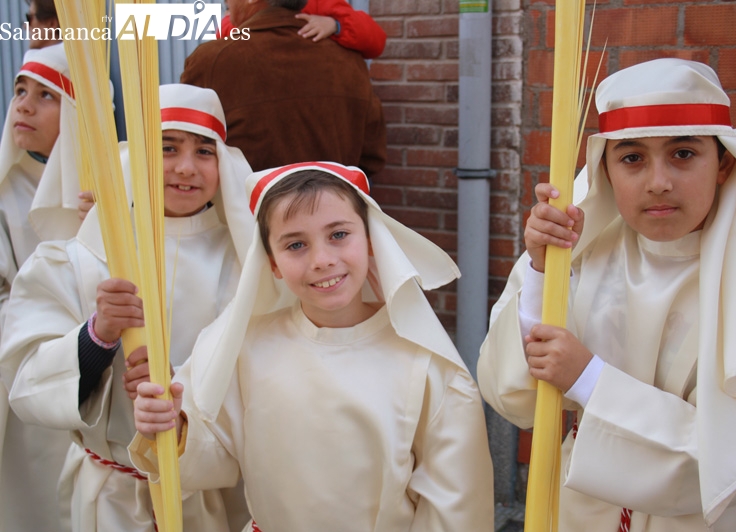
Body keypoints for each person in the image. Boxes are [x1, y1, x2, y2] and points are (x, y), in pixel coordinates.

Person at [477, 58, 736, 531]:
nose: (658, 182)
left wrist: (592, 381)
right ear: (605, 170)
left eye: (683, 153)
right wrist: (542, 270)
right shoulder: (582, 253)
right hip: (582, 507)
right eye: (632, 157)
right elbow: (514, 397)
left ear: (725, 163)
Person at [130, 162, 494, 531]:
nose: (322, 261)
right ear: (271, 263)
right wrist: (172, 428)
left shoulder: (427, 364)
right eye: (296, 244)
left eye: (338, 235)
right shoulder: (245, 348)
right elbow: (214, 456)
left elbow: (453, 509)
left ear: (370, 239)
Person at [0, 83, 255, 532]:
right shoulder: (82, 258)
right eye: (167, 147)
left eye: (204, 151)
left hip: (209, 497)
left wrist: (182, 402)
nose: (185, 168)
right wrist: (97, 339)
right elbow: (25, 378)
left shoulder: (247, 266)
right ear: (135, 156)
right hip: (111, 498)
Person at [0, 42, 87, 532]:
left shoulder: (106, 191)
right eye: (19, 91)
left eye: (45, 95)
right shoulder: (5, 188)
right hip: (16, 376)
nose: (25, 105)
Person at [181, 0, 386, 176]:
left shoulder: (212, 59)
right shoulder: (351, 61)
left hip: (247, 215)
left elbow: (185, 143)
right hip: (334, 209)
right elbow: (371, 157)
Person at [218, 0, 386, 59]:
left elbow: (376, 39)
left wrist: (335, 25)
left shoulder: (320, 2)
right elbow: (222, 37)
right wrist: (235, 20)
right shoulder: (242, 10)